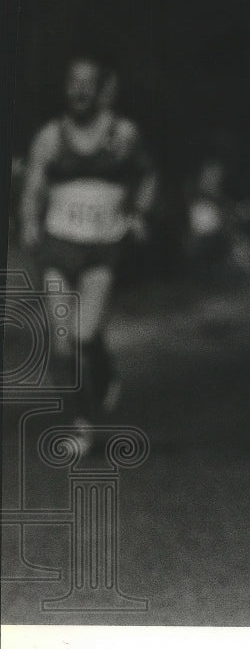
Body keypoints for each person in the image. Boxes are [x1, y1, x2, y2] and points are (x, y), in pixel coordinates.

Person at [20, 55, 157, 454]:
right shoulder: (50, 136)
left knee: (84, 336)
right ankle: (82, 425)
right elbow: (33, 184)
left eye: (87, 82)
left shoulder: (123, 135)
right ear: (65, 88)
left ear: (100, 90)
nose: (79, 89)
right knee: (62, 342)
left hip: (102, 247)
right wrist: (29, 220)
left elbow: (147, 175)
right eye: (72, 81)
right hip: (59, 245)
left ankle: (105, 369)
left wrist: (140, 214)